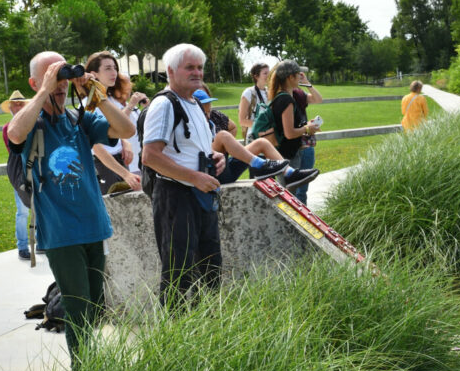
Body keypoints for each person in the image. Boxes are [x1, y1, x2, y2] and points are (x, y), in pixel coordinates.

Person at [6, 50, 136, 371]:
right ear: (35, 81)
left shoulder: (80, 119)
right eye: (54, 77)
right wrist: (44, 89)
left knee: (94, 308)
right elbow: (14, 133)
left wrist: (96, 95)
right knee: (78, 310)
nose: (62, 85)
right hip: (61, 233)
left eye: (65, 77)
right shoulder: (32, 122)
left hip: (94, 227)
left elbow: (126, 130)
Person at [142, 43, 227, 303]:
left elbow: (194, 149)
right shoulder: (164, 104)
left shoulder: (193, 103)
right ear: (170, 70)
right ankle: (177, 335)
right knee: (178, 274)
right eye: (189, 67)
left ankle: (209, 330)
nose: (197, 72)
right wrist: (195, 178)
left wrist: (217, 157)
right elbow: (150, 156)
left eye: (200, 67)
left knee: (210, 269)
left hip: (200, 196)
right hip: (176, 197)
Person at [194, 86, 316, 188]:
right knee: (222, 136)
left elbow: (233, 127)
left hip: (226, 167)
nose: (208, 116)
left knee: (261, 142)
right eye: (205, 113)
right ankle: (259, 164)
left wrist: (227, 147)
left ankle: (289, 174)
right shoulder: (190, 126)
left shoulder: (214, 118)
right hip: (209, 170)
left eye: (209, 110)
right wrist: (218, 146)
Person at [85, 52, 147, 194]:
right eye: (107, 68)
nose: (114, 72)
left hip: (120, 162)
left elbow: (116, 129)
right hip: (104, 166)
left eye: (114, 68)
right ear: (94, 74)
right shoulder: (90, 105)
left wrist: (125, 143)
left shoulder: (111, 101)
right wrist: (125, 174)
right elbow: (97, 149)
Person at [264, 60, 321, 203]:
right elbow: (289, 133)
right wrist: (308, 128)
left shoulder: (281, 97)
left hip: (284, 153)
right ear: (290, 78)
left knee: (288, 196)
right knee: (288, 198)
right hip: (288, 155)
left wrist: (306, 126)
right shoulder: (286, 100)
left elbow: (318, 99)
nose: (300, 77)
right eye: (297, 75)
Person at [1, 90, 32, 259]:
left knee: (39, 209)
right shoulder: (8, 127)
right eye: (16, 104)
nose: (19, 106)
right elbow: (15, 149)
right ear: (11, 107)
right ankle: (22, 246)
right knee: (22, 211)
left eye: (21, 103)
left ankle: (41, 242)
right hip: (19, 173)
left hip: (34, 170)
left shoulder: (33, 122)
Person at [291, 70, 324, 204]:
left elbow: (318, 99)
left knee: (303, 189)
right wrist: (306, 128)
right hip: (292, 148)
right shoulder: (279, 95)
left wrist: (306, 83)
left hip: (306, 143)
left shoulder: (299, 93)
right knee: (291, 191)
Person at [238, 62, 270, 142]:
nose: (268, 76)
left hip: (268, 136)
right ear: (256, 76)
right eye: (265, 73)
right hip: (253, 137)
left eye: (269, 73)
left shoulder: (268, 92)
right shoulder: (248, 92)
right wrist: (262, 125)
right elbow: (242, 121)